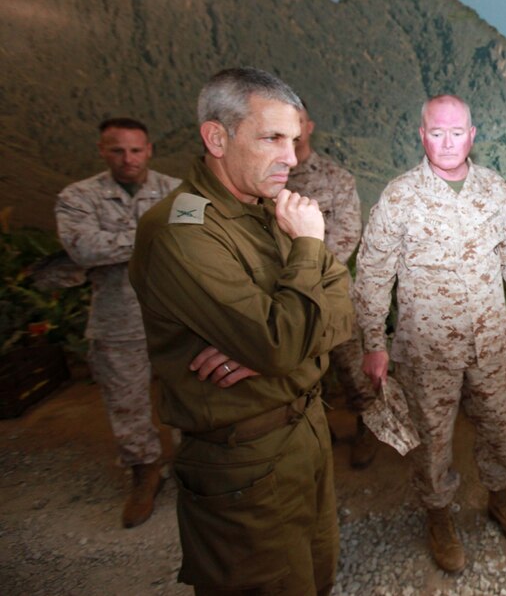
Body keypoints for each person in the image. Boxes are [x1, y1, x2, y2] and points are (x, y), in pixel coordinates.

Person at [129, 67, 354, 595]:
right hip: (243, 460)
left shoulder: (265, 211)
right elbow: (279, 343)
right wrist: (307, 250)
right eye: (272, 138)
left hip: (306, 434)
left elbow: (342, 310)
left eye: (295, 140)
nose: (292, 158)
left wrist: (272, 345)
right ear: (216, 137)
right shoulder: (180, 232)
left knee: (316, 575)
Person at [353, 94, 506, 574]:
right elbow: (373, 273)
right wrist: (373, 342)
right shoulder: (400, 196)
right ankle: (439, 516)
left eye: (457, 132)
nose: (447, 142)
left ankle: (501, 497)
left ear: (472, 135)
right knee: (432, 438)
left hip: (489, 343)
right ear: (422, 135)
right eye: (436, 132)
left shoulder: (494, 190)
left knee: (499, 425)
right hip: (426, 350)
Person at [55, 117, 180, 528]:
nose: (128, 159)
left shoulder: (180, 193)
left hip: (177, 319)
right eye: (117, 150)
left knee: (190, 396)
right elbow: (84, 249)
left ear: (149, 150)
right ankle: (145, 472)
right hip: (117, 320)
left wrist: (124, 243)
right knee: (126, 404)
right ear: (102, 151)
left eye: (136, 150)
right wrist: (154, 236)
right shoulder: (77, 197)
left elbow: (199, 241)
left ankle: (193, 468)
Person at [288, 102, 378, 469]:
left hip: (333, 291)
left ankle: (368, 428)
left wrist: (303, 270)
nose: (290, 134)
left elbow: (347, 235)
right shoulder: (264, 179)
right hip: (284, 299)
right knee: (296, 370)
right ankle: (314, 433)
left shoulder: (335, 178)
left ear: (309, 126)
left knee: (352, 366)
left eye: (296, 124)